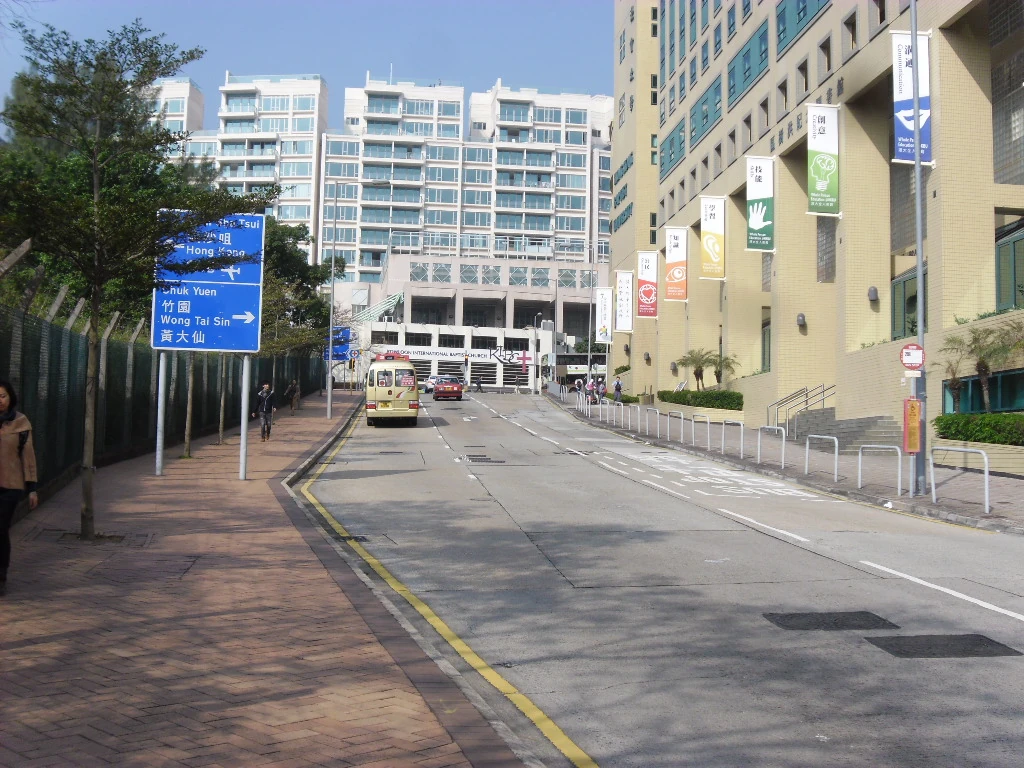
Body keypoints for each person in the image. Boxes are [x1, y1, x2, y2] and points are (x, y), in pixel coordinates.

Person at [0, 380, 38, 597]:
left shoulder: (20, 423)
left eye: (2, 396)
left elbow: (28, 457)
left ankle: (1, 575)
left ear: (10, 397)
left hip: (10, 487)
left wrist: (32, 488)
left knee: (1, 529)